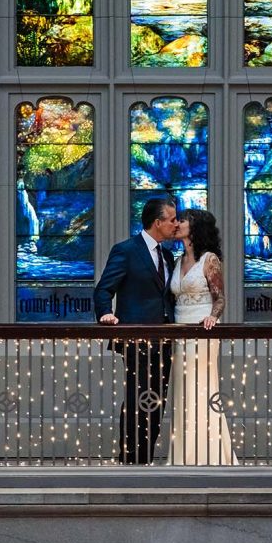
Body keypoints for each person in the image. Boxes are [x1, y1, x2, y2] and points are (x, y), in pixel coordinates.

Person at [93, 196, 179, 465]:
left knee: (157, 398)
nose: (176, 225)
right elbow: (104, 288)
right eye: (172, 219)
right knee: (138, 395)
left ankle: (147, 455)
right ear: (158, 222)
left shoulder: (167, 255)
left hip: (165, 337)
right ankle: (130, 456)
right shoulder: (127, 250)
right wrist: (106, 313)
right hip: (135, 337)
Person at [166, 208, 238, 465]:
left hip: (202, 329)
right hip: (179, 329)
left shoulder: (210, 260)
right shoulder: (177, 261)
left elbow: (220, 297)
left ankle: (209, 454)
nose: (177, 224)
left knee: (202, 388)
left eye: (182, 220)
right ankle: (183, 455)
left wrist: (213, 317)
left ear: (195, 227)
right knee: (183, 391)